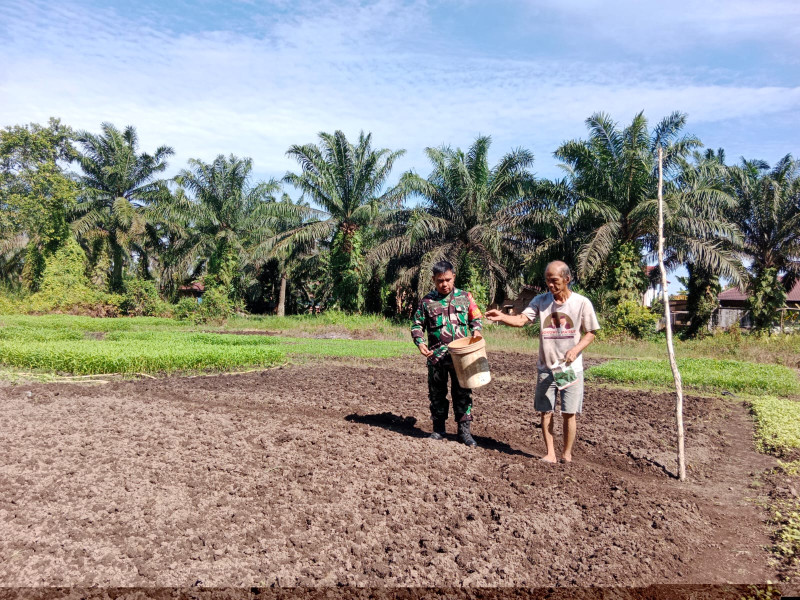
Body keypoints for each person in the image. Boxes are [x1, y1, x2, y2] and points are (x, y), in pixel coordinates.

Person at [485, 261, 599, 463]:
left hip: (568, 368)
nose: (551, 286)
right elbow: (521, 320)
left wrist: (575, 349)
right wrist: (501, 317)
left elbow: (591, 333)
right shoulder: (541, 300)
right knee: (546, 411)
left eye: (554, 281)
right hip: (547, 368)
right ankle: (550, 454)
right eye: (548, 281)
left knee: (568, 412)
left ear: (567, 279)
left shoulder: (581, 303)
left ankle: (566, 454)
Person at [411, 261, 483, 447]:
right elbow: (417, 325)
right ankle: (438, 430)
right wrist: (420, 343)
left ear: (454, 277)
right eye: (440, 281)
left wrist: (476, 331)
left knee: (463, 393)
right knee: (437, 393)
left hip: (462, 358)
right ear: (433, 280)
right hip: (436, 358)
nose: (444, 284)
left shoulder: (465, 297)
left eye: (448, 280)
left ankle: (464, 433)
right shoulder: (427, 301)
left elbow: (476, 318)